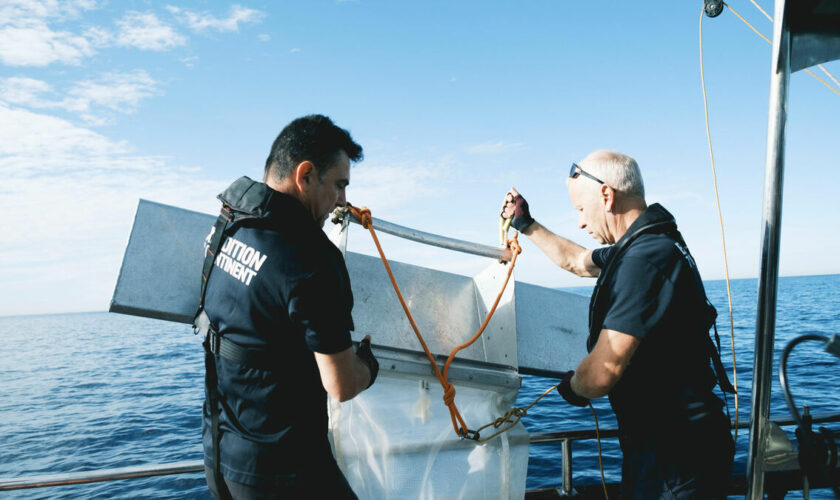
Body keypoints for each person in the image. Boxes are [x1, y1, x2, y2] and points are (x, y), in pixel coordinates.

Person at [502, 150, 734, 499]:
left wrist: (573, 387)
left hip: (674, 457)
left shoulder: (644, 259)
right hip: (674, 449)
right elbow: (577, 261)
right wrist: (526, 224)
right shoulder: (644, 247)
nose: (580, 222)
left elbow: (601, 374)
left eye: (581, 209)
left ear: (606, 196)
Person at [197, 114, 378, 499]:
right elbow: (341, 385)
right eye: (339, 185)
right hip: (284, 475)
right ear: (306, 175)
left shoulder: (230, 224)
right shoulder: (311, 259)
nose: (342, 201)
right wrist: (368, 365)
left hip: (220, 459)